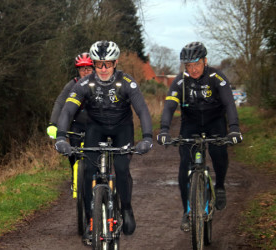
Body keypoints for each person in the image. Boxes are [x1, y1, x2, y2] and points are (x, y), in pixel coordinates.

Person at [54, 40, 153, 242]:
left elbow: (142, 109)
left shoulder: (126, 82)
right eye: (99, 64)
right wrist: (61, 137)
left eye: (107, 63)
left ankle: (126, 208)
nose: (104, 68)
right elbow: (67, 110)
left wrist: (147, 137)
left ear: (115, 63)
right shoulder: (84, 84)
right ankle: (91, 221)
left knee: (122, 168)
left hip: (122, 129)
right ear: (94, 64)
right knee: (88, 173)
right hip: (96, 129)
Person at [156, 42, 243, 232]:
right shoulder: (180, 81)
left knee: (219, 154)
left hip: (215, 122)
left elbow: (229, 104)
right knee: (184, 167)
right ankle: (188, 212)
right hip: (191, 124)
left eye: (196, 64)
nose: (193, 69)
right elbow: (170, 106)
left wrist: (234, 129)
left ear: (205, 61)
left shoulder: (217, 77)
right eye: (188, 66)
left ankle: (219, 186)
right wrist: (164, 130)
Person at [47, 52, 93, 169]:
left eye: (88, 69)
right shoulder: (72, 84)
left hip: (96, 124)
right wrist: (53, 124)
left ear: (94, 69)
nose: (85, 72)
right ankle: (75, 179)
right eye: (82, 69)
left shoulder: (101, 83)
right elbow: (60, 103)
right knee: (73, 154)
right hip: (77, 124)